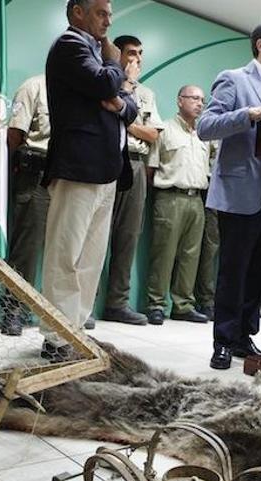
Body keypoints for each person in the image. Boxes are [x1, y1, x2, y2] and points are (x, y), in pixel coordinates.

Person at [197, 21, 261, 370]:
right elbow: (205, 126)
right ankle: (223, 342)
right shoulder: (234, 79)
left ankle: (243, 336)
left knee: (260, 271)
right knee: (234, 270)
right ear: (260, 45)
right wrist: (247, 115)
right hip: (243, 188)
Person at [41, 0, 137, 361]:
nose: (109, 20)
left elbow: (129, 106)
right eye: (101, 12)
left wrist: (119, 99)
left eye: (110, 14)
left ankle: (75, 331)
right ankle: (56, 336)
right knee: (65, 255)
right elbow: (105, 83)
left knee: (91, 259)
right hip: (77, 167)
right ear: (77, 12)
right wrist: (114, 63)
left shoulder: (96, 53)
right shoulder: (69, 45)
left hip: (106, 171)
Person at [102, 34, 165, 326]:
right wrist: (129, 119)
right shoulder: (104, 82)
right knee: (96, 234)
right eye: (130, 53)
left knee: (128, 237)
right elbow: (108, 120)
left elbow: (153, 135)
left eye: (140, 54)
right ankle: (85, 305)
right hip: (107, 159)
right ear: (118, 54)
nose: (136, 59)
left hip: (137, 165)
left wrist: (125, 118)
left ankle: (117, 303)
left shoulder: (147, 94)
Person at [144, 85, 211, 325]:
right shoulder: (165, 130)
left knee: (191, 255)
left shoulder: (204, 134)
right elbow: (150, 169)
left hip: (197, 200)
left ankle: (183, 305)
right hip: (169, 197)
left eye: (202, 99)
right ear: (179, 101)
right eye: (194, 98)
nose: (199, 103)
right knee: (164, 253)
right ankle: (156, 304)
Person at [0, 74, 51, 336]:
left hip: (70, 175)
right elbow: (15, 135)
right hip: (37, 174)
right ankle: (14, 310)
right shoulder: (34, 87)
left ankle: (59, 314)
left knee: (66, 249)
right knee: (27, 249)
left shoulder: (79, 91)